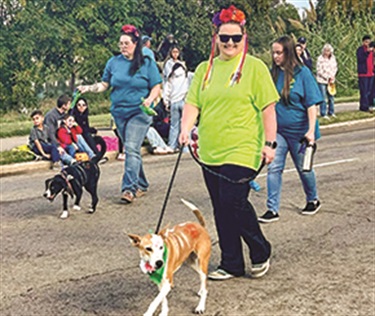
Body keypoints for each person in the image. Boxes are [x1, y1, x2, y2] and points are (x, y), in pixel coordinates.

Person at [179, 5, 279, 280]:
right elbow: (192, 104)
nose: (231, 43)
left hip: (243, 147)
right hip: (210, 149)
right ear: (216, 38)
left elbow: (268, 109)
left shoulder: (254, 67)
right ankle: (231, 263)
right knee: (221, 206)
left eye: (236, 38)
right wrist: (185, 129)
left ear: (244, 37)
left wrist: (270, 144)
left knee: (233, 200)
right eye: (225, 38)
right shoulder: (204, 69)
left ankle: (261, 250)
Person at [78, 24, 162, 203]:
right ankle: (142, 183)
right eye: (120, 43)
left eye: (126, 43)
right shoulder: (113, 62)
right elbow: (104, 85)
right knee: (133, 150)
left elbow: (156, 86)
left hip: (139, 112)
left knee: (131, 147)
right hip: (119, 112)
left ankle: (129, 189)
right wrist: (89, 88)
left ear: (135, 44)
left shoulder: (146, 63)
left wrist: (149, 99)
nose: (122, 46)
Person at [258, 35, 324, 224]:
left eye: (279, 52)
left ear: (288, 53)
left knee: (304, 169)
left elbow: (312, 105)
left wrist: (311, 131)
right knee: (274, 168)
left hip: (300, 132)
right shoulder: (273, 74)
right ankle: (272, 209)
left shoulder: (302, 74)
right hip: (279, 131)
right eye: (273, 53)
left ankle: (313, 199)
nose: (275, 56)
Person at [164, 61, 189, 152]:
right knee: (185, 125)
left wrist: (166, 102)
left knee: (174, 125)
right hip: (184, 101)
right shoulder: (186, 76)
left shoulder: (171, 78)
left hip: (174, 102)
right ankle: (185, 147)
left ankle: (172, 145)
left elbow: (167, 91)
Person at [44, 94, 75, 165]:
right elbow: (50, 134)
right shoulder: (51, 116)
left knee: (73, 144)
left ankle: (91, 154)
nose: (70, 106)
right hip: (52, 140)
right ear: (64, 105)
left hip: (62, 138)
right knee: (59, 150)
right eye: (69, 104)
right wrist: (58, 145)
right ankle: (71, 161)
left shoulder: (64, 115)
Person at [316, 43, 338, 119]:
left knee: (331, 97)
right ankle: (323, 113)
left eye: (328, 51)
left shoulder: (333, 58)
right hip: (322, 80)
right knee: (323, 97)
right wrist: (326, 77)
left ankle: (331, 112)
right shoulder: (320, 59)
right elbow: (319, 70)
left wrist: (332, 76)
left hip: (331, 80)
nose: (326, 52)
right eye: (325, 50)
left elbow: (335, 68)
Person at [356, 35, 374, 112]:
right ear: (363, 42)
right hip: (363, 74)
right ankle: (363, 106)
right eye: (366, 42)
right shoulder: (360, 50)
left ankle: (370, 105)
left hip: (371, 73)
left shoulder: (372, 50)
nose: (367, 44)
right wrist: (367, 52)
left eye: (369, 42)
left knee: (371, 91)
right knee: (364, 91)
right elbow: (360, 59)